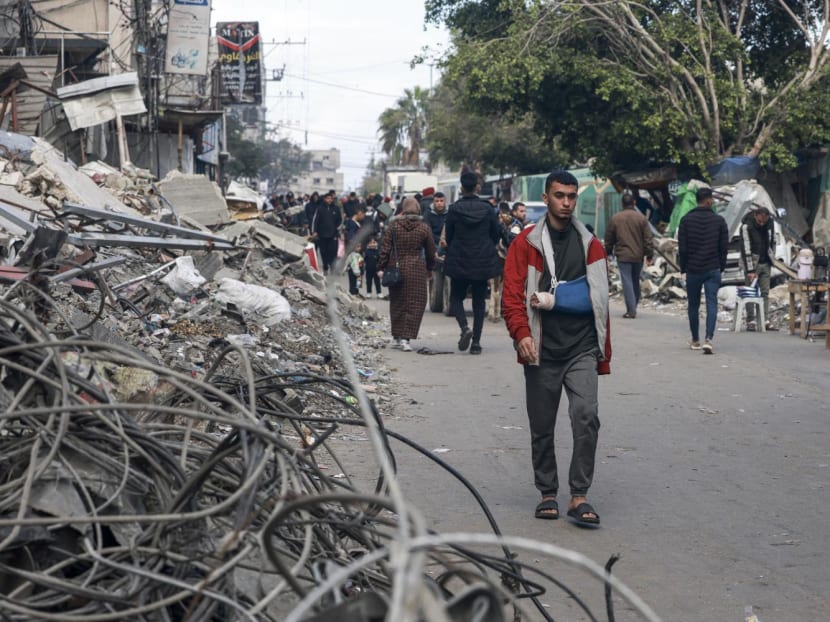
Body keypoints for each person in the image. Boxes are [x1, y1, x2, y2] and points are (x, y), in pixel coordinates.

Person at [502, 170, 611, 528]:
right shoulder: (526, 245)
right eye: (559, 196)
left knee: (586, 416)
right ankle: (548, 492)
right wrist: (522, 335)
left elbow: (599, 300)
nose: (566, 202)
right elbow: (512, 296)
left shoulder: (590, 245)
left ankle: (579, 494)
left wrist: (601, 348)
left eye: (571, 196)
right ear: (546, 198)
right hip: (542, 348)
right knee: (542, 424)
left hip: (581, 346)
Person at [443, 171, 502, 354]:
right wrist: (485, 246)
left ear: (461, 187)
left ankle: (464, 328)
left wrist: (457, 247)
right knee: (478, 302)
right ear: (477, 186)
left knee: (456, 298)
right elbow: (496, 233)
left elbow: (450, 235)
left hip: (460, 259)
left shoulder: (454, 209)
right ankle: (476, 343)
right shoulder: (487, 208)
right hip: (481, 260)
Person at [377, 197, 436, 352]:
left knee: (397, 303)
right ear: (418, 209)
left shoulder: (394, 227)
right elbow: (431, 251)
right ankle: (406, 339)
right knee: (415, 304)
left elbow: (385, 248)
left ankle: (396, 337)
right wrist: (430, 267)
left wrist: (381, 266)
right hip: (416, 269)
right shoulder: (424, 228)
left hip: (396, 268)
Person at [678, 186, 728, 354]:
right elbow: (723, 247)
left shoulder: (686, 220)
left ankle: (695, 340)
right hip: (712, 268)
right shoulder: (719, 221)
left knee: (693, 305)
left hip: (693, 269)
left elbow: (682, 249)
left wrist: (683, 267)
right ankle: (709, 338)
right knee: (711, 303)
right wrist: (721, 265)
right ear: (709, 200)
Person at [604, 193, 654, 318]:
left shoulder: (615, 218)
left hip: (623, 255)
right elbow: (648, 238)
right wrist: (649, 255)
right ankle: (634, 305)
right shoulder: (641, 218)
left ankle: (631, 310)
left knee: (627, 282)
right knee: (635, 280)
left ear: (622, 204)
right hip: (638, 255)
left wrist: (608, 252)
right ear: (634, 203)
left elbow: (609, 238)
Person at [739, 206, 776, 330]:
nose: (761, 224)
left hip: (766, 262)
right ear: (755, 215)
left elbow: (772, 241)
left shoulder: (769, 223)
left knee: (765, 292)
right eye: (760, 221)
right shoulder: (746, 226)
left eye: (764, 222)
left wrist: (772, 258)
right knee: (750, 293)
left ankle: (764, 319)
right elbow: (745, 248)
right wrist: (750, 270)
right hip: (752, 264)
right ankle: (751, 320)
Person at [311, 191, 342, 274]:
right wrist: (314, 231)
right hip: (322, 235)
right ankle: (325, 266)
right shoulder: (320, 209)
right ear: (324, 199)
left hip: (333, 235)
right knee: (323, 251)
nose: (329, 200)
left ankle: (332, 266)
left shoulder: (336, 209)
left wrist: (336, 229)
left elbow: (340, 221)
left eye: (331, 198)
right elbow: (315, 221)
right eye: (327, 198)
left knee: (333, 251)